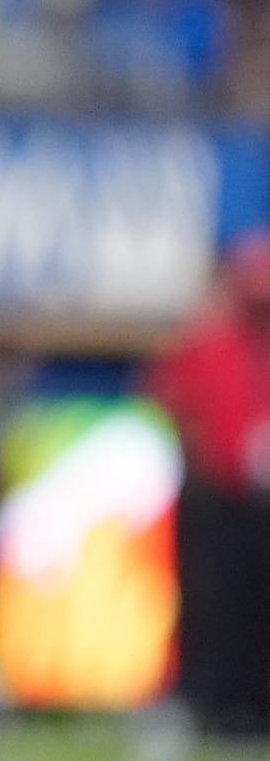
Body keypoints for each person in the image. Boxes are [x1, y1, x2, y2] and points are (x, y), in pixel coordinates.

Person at [145, 228, 270, 746]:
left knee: (253, 610)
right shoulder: (208, 342)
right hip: (215, 499)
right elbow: (169, 400)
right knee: (208, 608)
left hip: (258, 504)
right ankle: (204, 705)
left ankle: (249, 711)